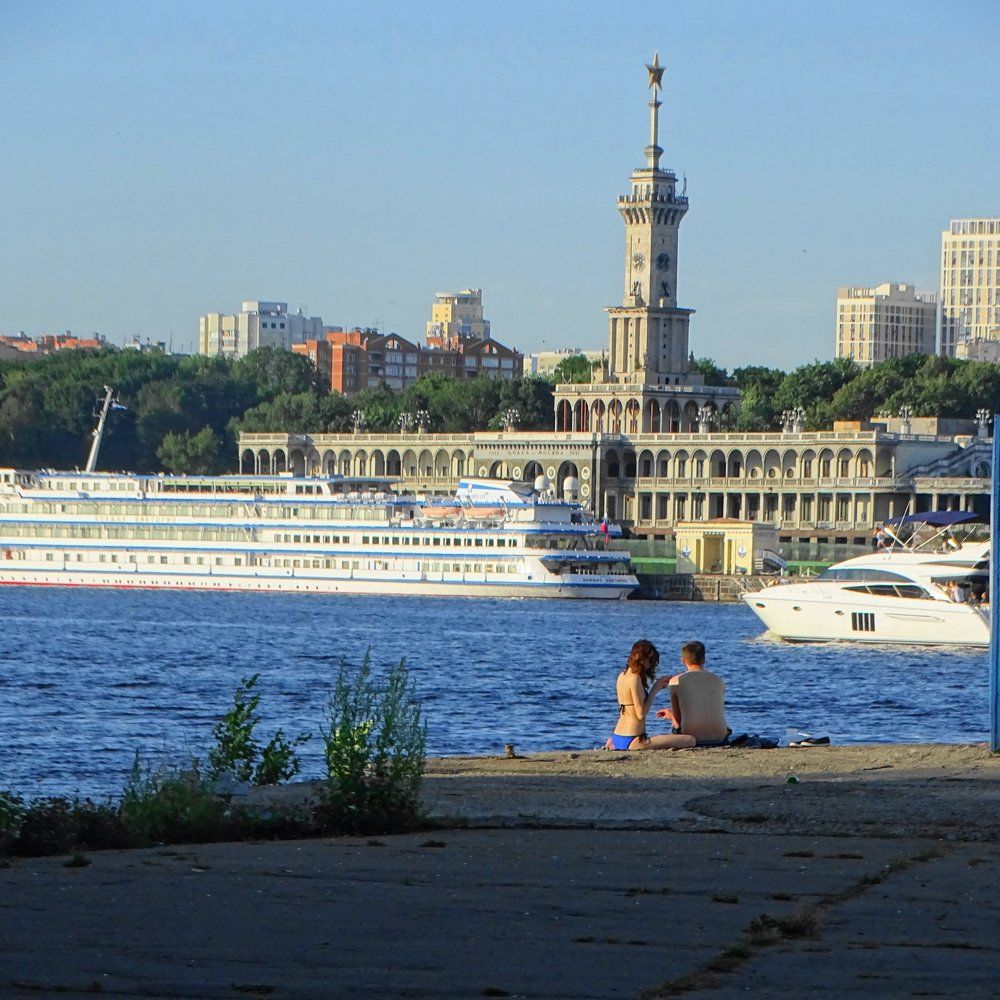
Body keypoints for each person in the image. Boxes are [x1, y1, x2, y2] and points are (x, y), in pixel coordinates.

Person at [607, 640, 695, 751]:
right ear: (643, 659)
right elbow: (641, 714)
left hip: (618, 735)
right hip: (633, 739)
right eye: (651, 661)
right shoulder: (635, 679)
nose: (651, 665)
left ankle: (612, 743)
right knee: (690, 740)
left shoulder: (622, 675)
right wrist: (656, 688)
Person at [656, 640, 730, 746]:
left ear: (683, 660)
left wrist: (671, 715)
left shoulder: (675, 681)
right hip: (720, 739)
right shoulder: (719, 680)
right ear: (703, 659)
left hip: (693, 739)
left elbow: (677, 722)